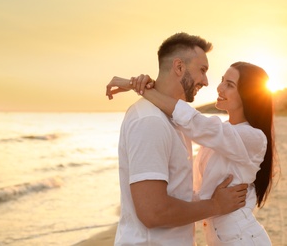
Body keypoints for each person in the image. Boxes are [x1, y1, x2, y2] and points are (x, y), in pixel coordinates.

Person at [106, 61, 276, 245]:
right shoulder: (221, 136)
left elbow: (193, 123)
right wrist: (149, 84)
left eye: (229, 84)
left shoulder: (252, 137)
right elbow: (198, 191)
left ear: (249, 96)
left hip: (244, 239)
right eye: (222, 80)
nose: (219, 87)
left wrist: (138, 87)